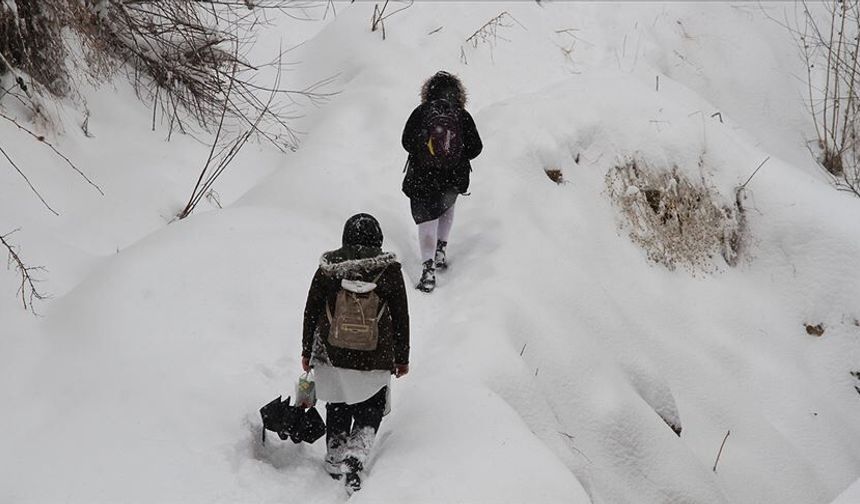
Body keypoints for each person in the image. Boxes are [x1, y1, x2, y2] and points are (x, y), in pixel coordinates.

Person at [301, 213, 410, 494]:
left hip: (331, 352)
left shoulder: (329, 268)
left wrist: (306, 350)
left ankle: (335, 452)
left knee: (338, 401)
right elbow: (400, 316)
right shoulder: (389, 271)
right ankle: (356, 455)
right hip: (375, 354)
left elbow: (312, 310)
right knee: (370, 405)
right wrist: (402, 357)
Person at [401, 70, 483, 293]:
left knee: (426, 220)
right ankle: (441, 250)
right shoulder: (461, 115)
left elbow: (406, 142)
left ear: (428, 92)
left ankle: (428, 270)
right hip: (452, 178)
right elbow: (476, 148)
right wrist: (454, 154)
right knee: (446, 206)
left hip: (422, 177)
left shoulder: (421, 112)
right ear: (458, 93)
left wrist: (425, 151)